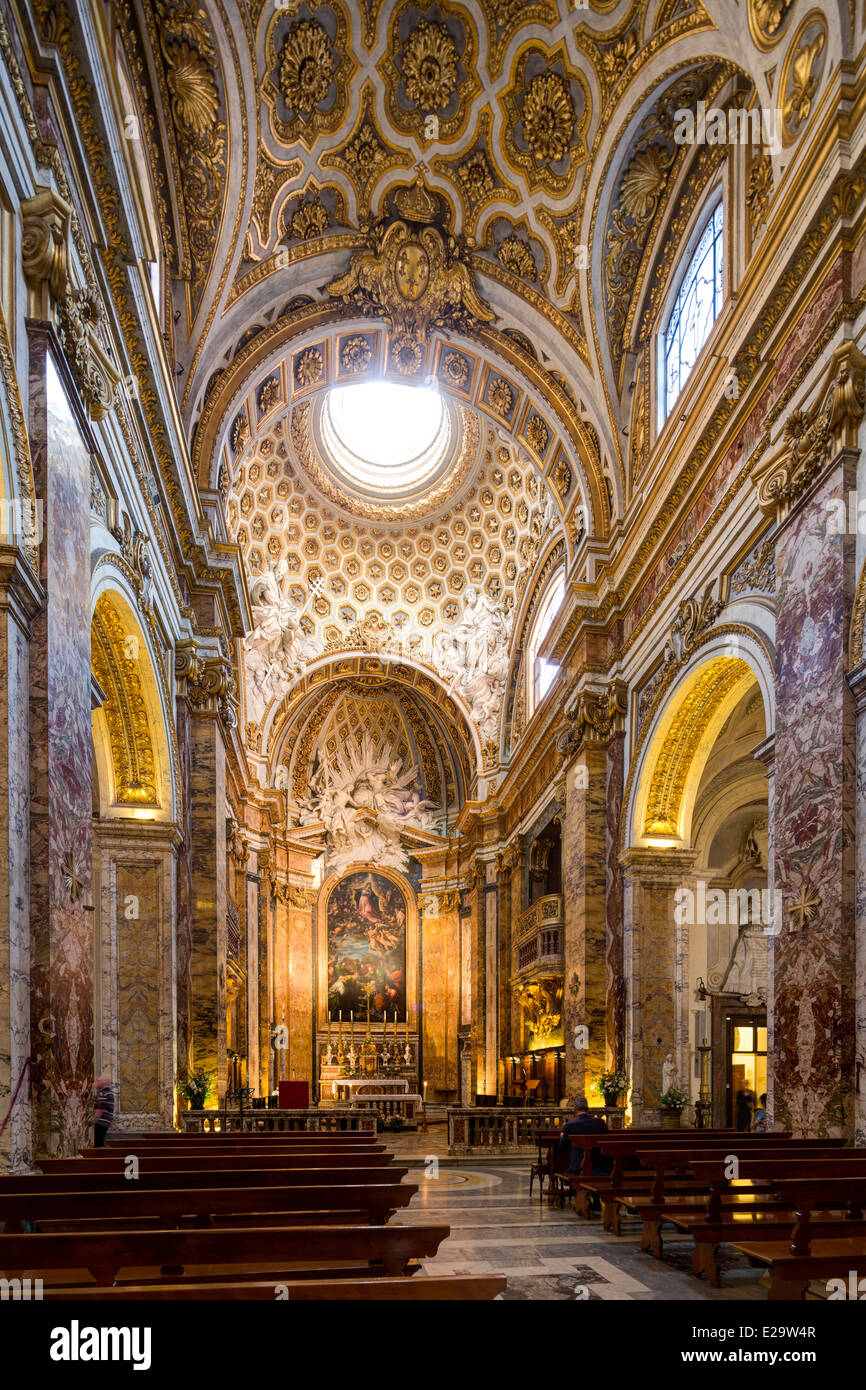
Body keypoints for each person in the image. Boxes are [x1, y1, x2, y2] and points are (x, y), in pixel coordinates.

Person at [557, 1096, 611, 1177]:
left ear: (574, 1110)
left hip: (578, 1168)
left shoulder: (569, 1125)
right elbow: (607, 1142)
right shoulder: (600, 1123)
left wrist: (562, 1137)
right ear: (588, 1109)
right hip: (599, 1166)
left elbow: (562, 1147)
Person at [93, 1074, 115, 1147]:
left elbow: (100, 1110)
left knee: (97, 1143)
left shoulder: (103, 1093)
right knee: (99, 1142)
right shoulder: (106, 1093)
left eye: (98, 1080)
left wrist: (92, 1123)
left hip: (100, 1122)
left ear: (104, 1082)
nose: (96, 1082)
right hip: (103, 1122)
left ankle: (99, 1157)